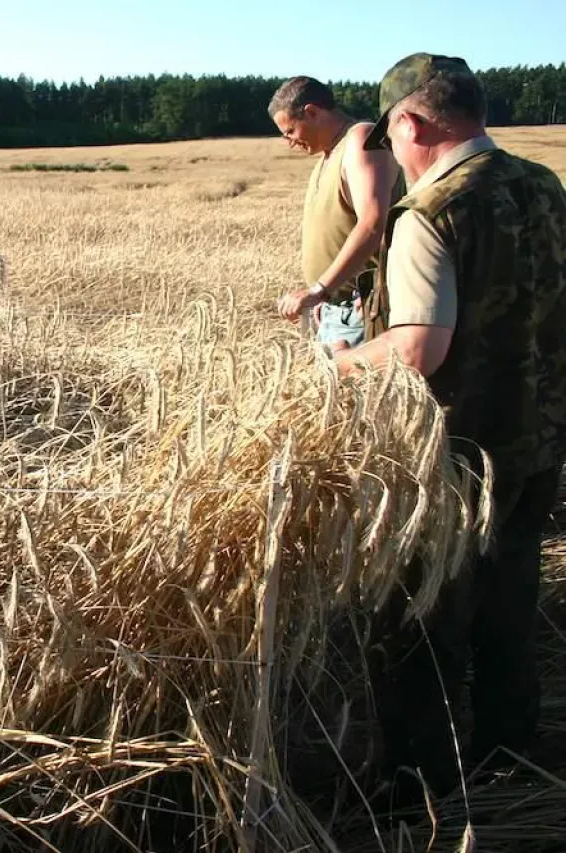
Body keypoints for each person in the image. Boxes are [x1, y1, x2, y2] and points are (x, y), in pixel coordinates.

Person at [334, 53, 566, 803]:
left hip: (453, 457)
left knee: (415, 616)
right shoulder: (544, 186)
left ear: (411, 122)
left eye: (391, 140)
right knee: (509, 603)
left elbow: (416, 349)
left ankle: (416, 787)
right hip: (537, 443)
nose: (393, 157)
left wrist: (336, 365)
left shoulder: (431, 212)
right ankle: (510, 759)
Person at [270, 76, 403, 349]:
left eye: (290, 131)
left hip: (362, 309)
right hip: (336, 309)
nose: (290, 143)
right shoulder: (329, 153)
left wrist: (321, 289)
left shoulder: (361, 140)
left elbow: (372, 223)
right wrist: (327, 295)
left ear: (312, 112)